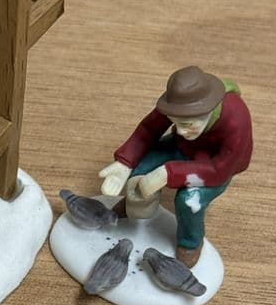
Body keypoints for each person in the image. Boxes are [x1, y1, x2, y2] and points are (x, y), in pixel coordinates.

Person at [99, 66, 253, 267]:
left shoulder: (236, 118)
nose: (180, 130)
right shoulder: (177, 106)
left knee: (188, 201)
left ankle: (190, 241)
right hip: (180, 147)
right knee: (140, 169)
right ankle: (135, 203)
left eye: (188, 124)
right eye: (175, 122)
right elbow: (148, 129)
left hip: (214, 166)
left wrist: (168, 174)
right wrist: (124, 163)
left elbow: (220, 169)